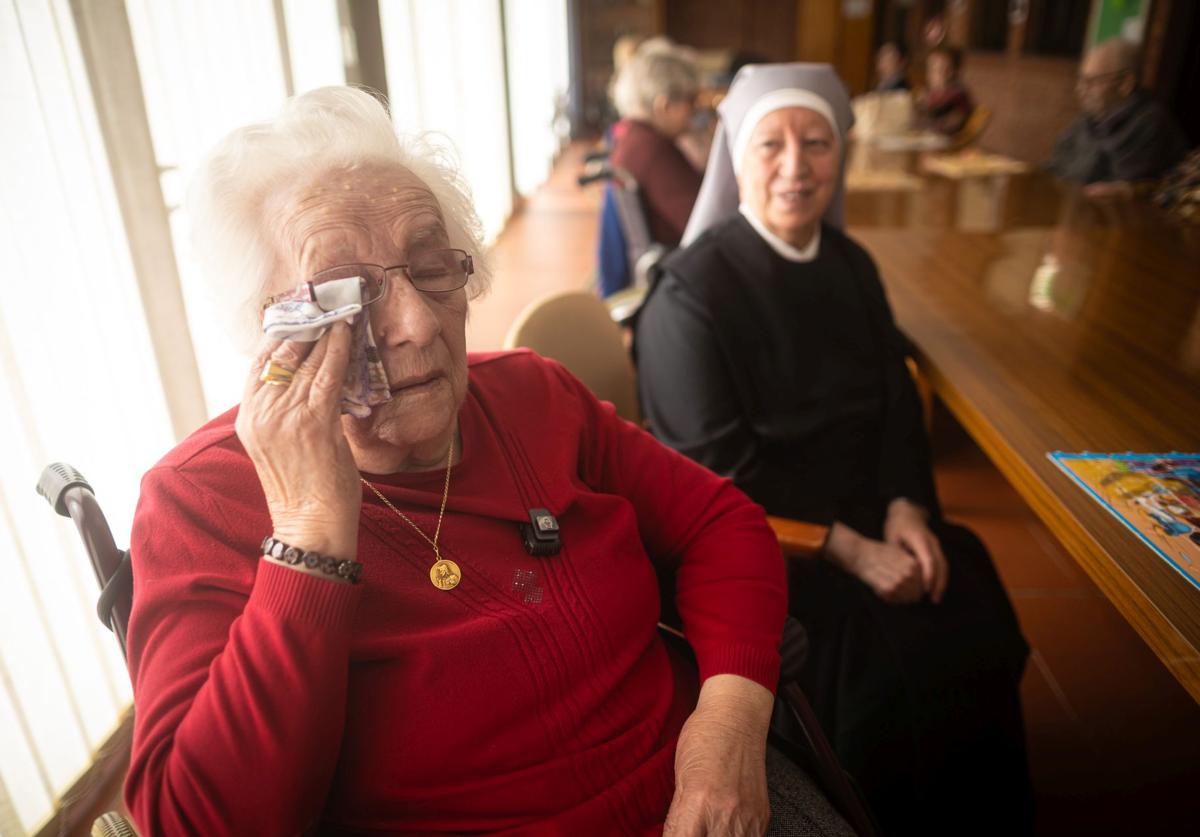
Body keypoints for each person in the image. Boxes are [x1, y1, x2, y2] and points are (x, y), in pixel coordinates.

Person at [123, 86, 852, 835]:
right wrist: (308, 536)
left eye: (431, 266)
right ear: (265, 329)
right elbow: (197, 823)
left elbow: (719, 521)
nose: (414, 324)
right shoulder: (197, 502)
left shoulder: (532, 395)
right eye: (349, 293)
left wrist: (728, 723)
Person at [635, 63, 1034, 836]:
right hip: (775, 545)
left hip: (872, 511)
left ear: (840, 155)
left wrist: (908, 508)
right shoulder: (689, 295)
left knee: (966, 581)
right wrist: (848, 548)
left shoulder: (852, 265)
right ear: (737, 159)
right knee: (881, 667)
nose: (796, 166)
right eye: (772, 145)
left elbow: (895, 409)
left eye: (816, 142)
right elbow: (714, 475)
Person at [1048, 37, 1187, 196]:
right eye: (1080, 80)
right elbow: (1056, 165)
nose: (1080, 89)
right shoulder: (1092, 118)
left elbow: (1102, 185)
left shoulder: (1149, 123)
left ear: (1125, 84)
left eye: (1091, 81)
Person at [610, 40, 704, 247]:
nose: (695, 112)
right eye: (691, 101)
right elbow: (704, 226)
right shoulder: (654, 150)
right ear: (665, 106)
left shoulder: (632, 138)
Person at [915, 45, 973, 136]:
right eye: (930, 69)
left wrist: (925, 116)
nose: (931, 75)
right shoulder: (931, 94)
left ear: (952, 72)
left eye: (939, 69)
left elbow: (951, 125)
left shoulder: (958, 96)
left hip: (947, 145)